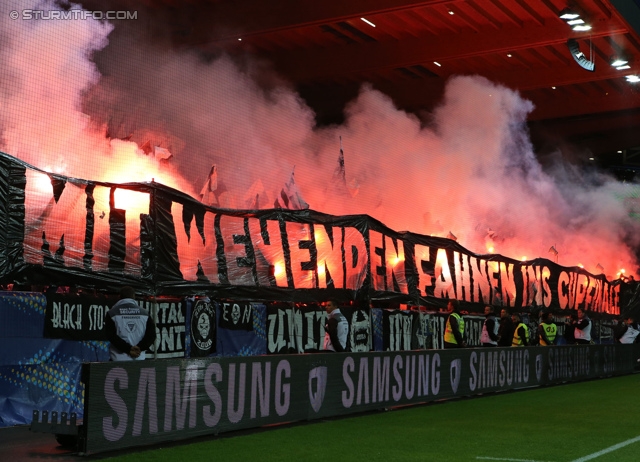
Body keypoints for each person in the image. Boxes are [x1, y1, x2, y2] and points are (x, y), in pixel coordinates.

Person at [105, 286, 156, 361]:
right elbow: (151, 335)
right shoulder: (145, 313)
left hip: (118, 359)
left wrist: (128, 349)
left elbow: (111, 336)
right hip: (139, 357)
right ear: (134, 297)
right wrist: (139, 348)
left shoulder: (112, 313)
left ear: (119, 296)